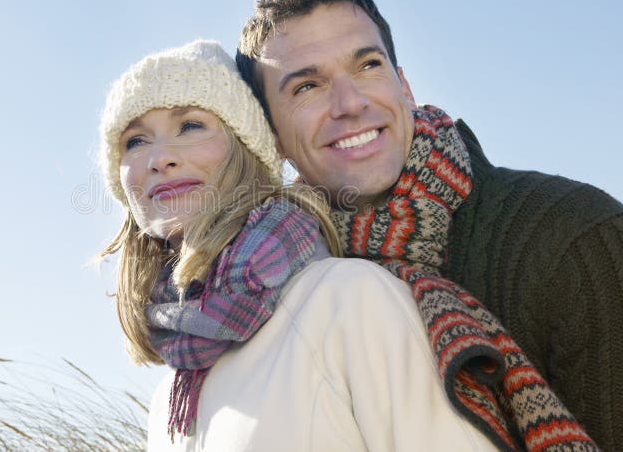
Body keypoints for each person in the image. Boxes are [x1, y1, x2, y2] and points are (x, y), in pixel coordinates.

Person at [236, 0, 622, 451]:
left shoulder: (575, 236)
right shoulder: (278, 293)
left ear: (405, 86)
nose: (350, 103)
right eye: (306, 87)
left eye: (368, 65)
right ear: (272, 138)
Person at [98, 40, 503, 451]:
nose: (160, 157)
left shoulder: (351, 300)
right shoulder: (171, 394)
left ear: (246, 148)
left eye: (191, 126)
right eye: (135, 141)